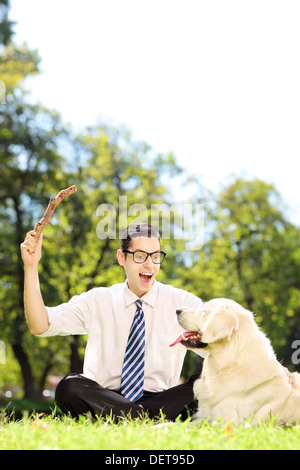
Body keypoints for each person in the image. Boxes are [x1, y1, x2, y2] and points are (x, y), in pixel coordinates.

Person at [20, 223, 204, 421]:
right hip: (103, 397)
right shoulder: (97, 300)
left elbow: (220, 338)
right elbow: (39, 325)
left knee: (207, 383)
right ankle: (146, 419)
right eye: (140, 256)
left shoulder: (183, 303)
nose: (150, 265)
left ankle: (129, 418)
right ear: (121, 257)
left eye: (156, 256)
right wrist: (31, 266)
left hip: (162, 399)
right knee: (69, 386)